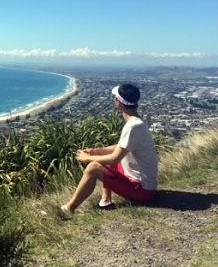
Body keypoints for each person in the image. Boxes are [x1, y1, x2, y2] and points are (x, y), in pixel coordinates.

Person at [61, 84, 158, 213]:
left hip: (141, 191)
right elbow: (121, 147)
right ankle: (105, 201)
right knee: (102, 161)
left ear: (119, 102)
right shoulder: (138, 122)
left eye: (115, 98)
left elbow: (114, 158)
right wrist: (96, 151)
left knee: (93, 168)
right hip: (145, 187)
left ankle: (69, 208)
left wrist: (88, 158)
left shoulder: (132, 127)